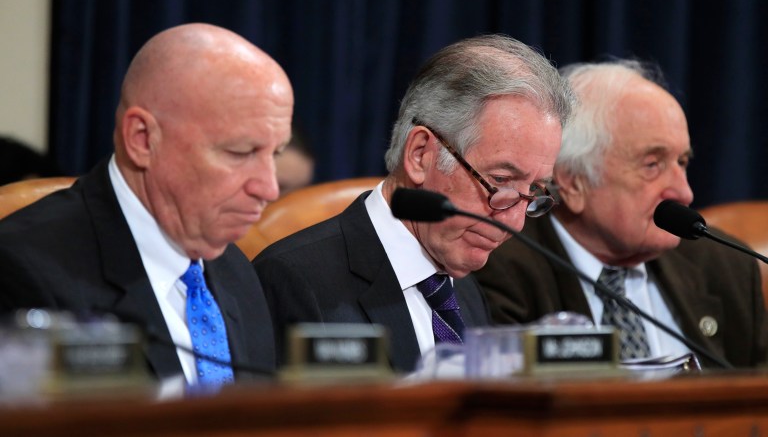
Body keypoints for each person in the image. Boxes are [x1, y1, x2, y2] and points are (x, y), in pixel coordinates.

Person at [253, 34, 574, 373]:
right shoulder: (294, 281)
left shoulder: (464, 290)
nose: (514, 223)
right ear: (421, 154)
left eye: (533, 191)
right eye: (500, 181)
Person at [0, 23, 294, 385]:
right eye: (239, 152)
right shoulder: (21, 271)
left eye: (275, 154)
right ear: (142, 139)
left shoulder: (237, 271)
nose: (268, 188)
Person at [475, 60, 768, 367]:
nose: (685, 193)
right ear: (574, 182)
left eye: (681, 162)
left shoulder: (730, 269)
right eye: (652, 164)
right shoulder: (500, 270)